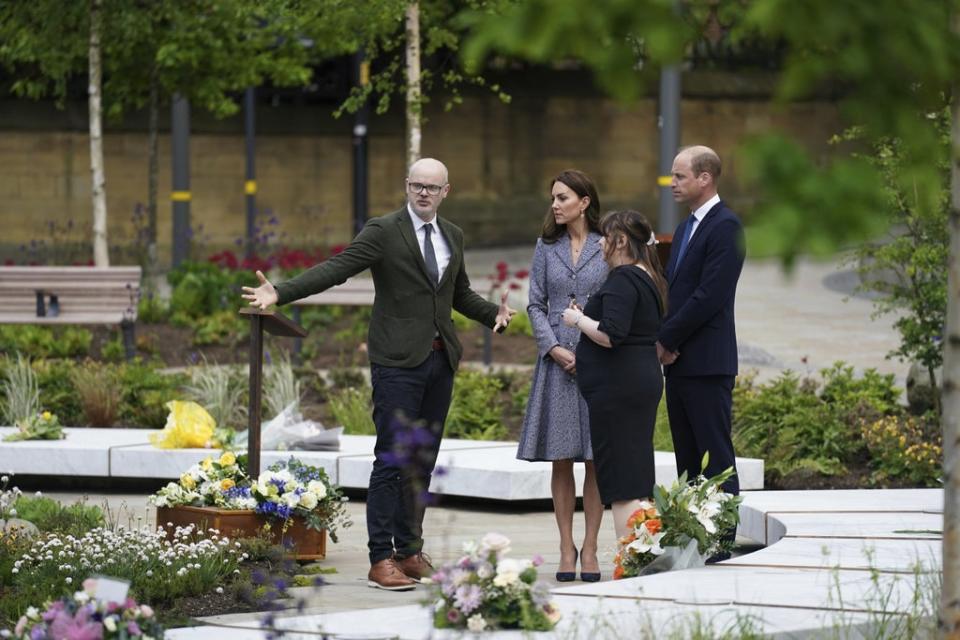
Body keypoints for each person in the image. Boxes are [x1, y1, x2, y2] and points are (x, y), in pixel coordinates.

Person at [242, 158, 516, 591]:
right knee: (391, 459)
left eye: (431, 187)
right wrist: (281, 291)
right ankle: (379, 558)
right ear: (407, 187)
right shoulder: (384, 231)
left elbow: (456, 293)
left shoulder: (453, 236)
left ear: (447, 191)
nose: (423, 193)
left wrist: (491, 315)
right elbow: (337, 267)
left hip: (439, 360)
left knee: (421, 459)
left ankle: (409, 551)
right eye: (416, 185)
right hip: (396, 363)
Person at [518, 169, 607, 582]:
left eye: (562, 197)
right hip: (555, 362)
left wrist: (589, 347)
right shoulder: (544, 246)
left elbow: (614, 303)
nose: (554, 205)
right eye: (553, 198)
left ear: (584, 202)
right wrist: (552, 347)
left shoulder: (607, 245)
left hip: (597, 360)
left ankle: (590, 547)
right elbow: (534, 304)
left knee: (595, 459)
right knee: (561, 457)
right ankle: (565, 546)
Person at [656, 145, 745, 558]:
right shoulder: (688, 225)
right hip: (679, 364)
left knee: (715, 454)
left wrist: (666, 339)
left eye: (679, 176)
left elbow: (710, 296)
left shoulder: (726, 226)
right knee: (688, 457)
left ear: (705, 178)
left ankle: (722, 539)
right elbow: (677, 292)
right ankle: (692, 536)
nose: (672, 183)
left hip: (707, 361)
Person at [561, 210, 668, 541]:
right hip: (636, 383)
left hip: (619, 389)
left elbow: (611, 334)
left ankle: (630, 561)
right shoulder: (647, 275)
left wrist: (576, 320)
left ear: (621, 241)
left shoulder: (623, 278)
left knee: (622, 481)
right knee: (635, 473)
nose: (601, 243)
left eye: (606, 237)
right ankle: (643, 552)